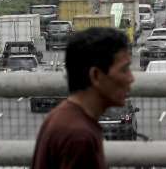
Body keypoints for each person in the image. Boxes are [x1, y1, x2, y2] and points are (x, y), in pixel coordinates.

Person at [32, 27, 134, 169]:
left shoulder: (63, 117)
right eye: (124, 69)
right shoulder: (80, 137)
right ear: (96, 76)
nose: (131, 78)